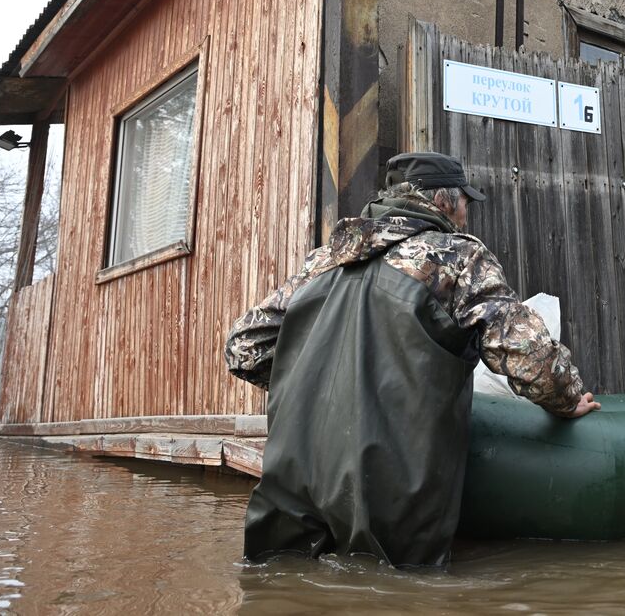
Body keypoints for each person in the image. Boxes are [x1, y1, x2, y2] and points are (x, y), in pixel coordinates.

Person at [224, 151, 600, 568]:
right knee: (399, 595)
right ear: (444, 202)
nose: (466, 216)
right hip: (392, 495)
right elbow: (529, 355)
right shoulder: (455, 257)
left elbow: (243, 347)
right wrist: (567, 400)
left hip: (294, 491)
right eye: (464, 204)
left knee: (284, 585)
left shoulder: (325, 261)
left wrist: (319, 382)